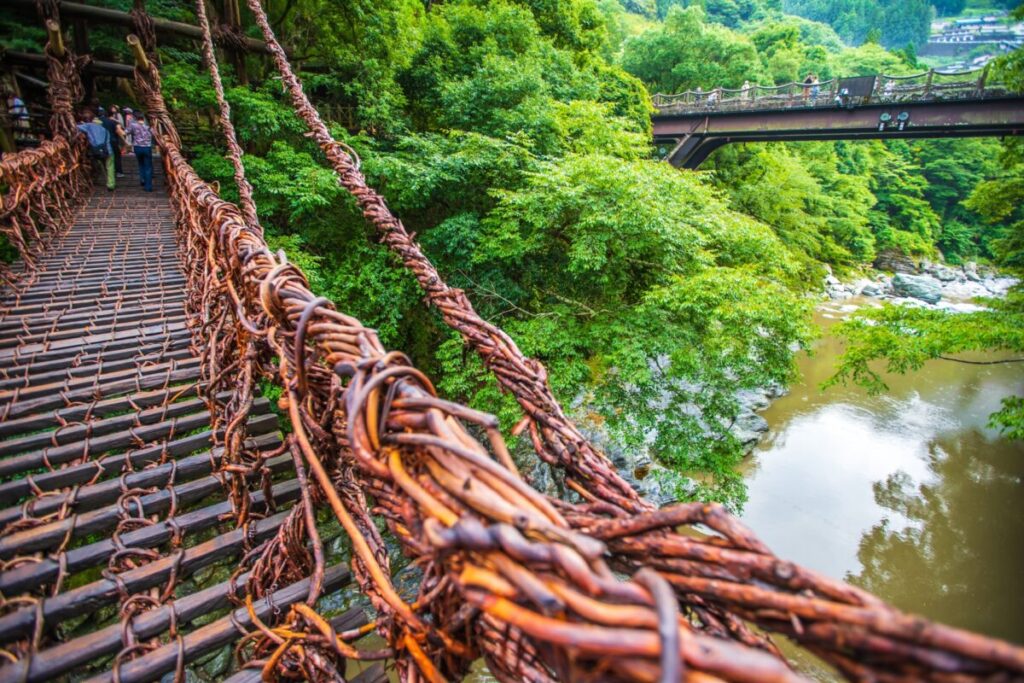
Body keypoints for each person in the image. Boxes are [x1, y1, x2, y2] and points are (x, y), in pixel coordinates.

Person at [76, 109, 115, 191]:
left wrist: (82, 124)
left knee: (98, 164)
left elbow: (76, 127)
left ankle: (96, 179)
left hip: (96, 151)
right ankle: (111, 184)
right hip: (108, 150)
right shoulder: (104, 129)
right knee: (110, 167)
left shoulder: (89, 126)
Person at [127, 111, 154, 192]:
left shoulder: (133, 125)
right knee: (148, 167)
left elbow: (126, 132)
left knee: (140, 164)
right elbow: (155, 134)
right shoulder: (149, 126)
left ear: (136, 118)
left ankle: (142, 179)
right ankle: (148, 187)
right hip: (147, 147)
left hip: (137, 147)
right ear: (144, 118)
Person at [99, 106, 127, 178]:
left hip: (103, 141)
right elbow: (120, 132)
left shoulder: (101, 122)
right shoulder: (113, 122)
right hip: (113, 141)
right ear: (113, 115)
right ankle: (119, 172)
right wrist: (124, 142)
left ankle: (106, 172)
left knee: (105, 156)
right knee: (117, 156)